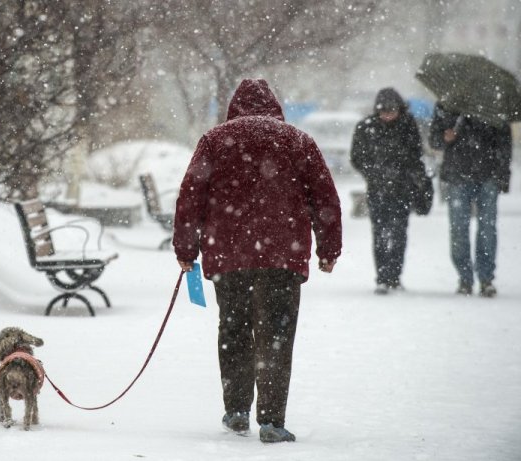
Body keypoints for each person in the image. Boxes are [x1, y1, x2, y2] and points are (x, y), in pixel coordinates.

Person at [173, 78, 342, 443]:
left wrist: (186, 250)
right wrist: (329, 249)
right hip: (282, 257)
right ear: (274, 106)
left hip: (228, 255)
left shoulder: (215, 140)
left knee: (233, 330)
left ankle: (236, 411)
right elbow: (325, 199)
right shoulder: (297, 141)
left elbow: (190, 197)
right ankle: (271, 421)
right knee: (276, 336)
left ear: (235, 107)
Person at [350, 87, 428, 294]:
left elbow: (416, 156)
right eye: (383, 110)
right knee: (380, 232)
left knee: (399, 232)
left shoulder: (408, 126)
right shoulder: (366, 127)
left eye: (391, 110)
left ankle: (395, 276)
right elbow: (357, 157)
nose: (387, 114)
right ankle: (383, 277)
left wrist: (412, 177)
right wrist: (375, 173)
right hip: (377, 190)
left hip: (402, 189)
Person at [429, 103, 512, 297]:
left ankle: (485, 278)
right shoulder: (447, 104)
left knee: (487, 229)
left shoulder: (493, 104)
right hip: (458, 175)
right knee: (459, 228)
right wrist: (445, 137)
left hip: (488, 175)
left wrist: (503, 175)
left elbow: (504, 142)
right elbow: (434, 139)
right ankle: (465, 277)